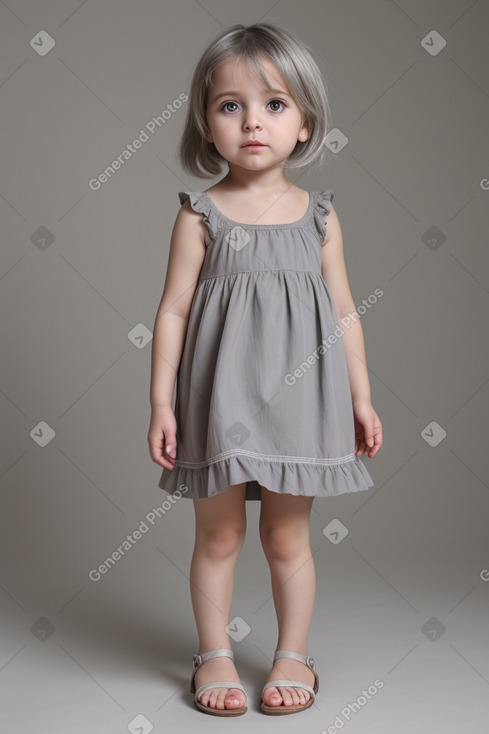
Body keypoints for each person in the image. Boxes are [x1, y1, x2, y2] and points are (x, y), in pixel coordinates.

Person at [147, 22, 383, 717]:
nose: (253, 121)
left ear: (305, 122)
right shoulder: (200, 217)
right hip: (217, 399)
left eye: (274, 104)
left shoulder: (320, 218)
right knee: (218, 534)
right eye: (230, 105)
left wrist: (361, 397)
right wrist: (162, 404)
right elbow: (170, 314)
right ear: (206, 123)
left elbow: (344, 311)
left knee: (287, 535)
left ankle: (292, 653)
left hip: (303, 398)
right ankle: (213, 653)